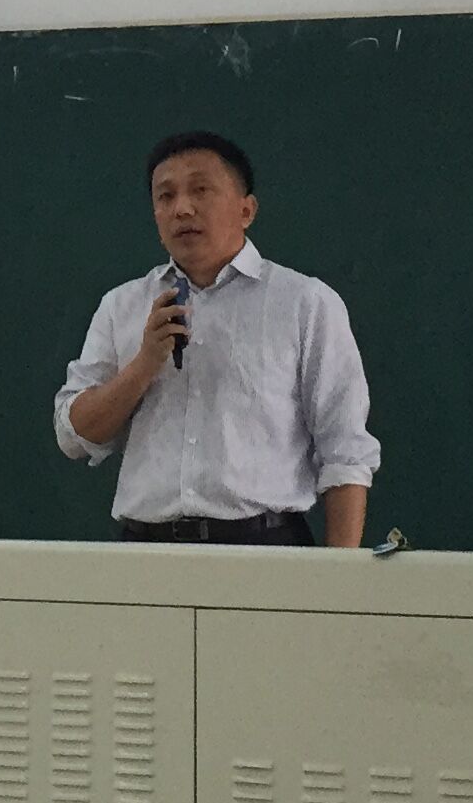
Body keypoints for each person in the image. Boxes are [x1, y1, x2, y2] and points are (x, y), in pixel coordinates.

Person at [54, 129, 379, 547]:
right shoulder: (122, 306)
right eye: (165, 196)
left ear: (246, 210)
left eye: (201, 190)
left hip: (265, 548)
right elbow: (74, 437)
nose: (182, 209)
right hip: (145, 552)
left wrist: (339, 575)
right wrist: (143, 366)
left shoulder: (305, 303)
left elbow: (345, 451)